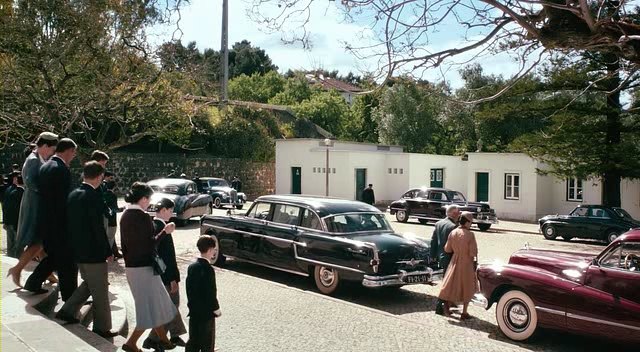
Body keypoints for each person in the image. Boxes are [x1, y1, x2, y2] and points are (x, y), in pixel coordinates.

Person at [54, 162, 119, 338]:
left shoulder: (74, 194)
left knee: (89, 284)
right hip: (93, 252)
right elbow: (97, 227)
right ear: (99, 176)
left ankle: (67, 311)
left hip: (77, 249)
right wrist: (108, 250)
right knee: (100, 290)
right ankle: (102, 327)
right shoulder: (93, 196)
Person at [120, 182, 177, 352]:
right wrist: (164, 232)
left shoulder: (125, 215)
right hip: (144, 268)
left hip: (133, 267)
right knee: (151, 307)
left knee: (156, 304)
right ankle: (131, 342)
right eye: (149, 199)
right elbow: (150, 245)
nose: (149, 203)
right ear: (143, 198)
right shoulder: (143, 217)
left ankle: (164, 339)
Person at [24, 138, 78, 298]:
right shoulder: (61, 169)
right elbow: (63, 201)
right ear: (68, 151)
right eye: (73, 153)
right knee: (67, 262)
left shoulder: (46, 166)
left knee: (54, 257)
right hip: (59, 224)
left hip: (46, 221)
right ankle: (70, 298)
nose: (73, 156)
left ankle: (33, 283)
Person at [7, 132, 58, 287]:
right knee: (38, 241)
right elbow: (32, 184)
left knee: (41, 242)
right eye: (52, 149)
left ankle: (48, 273)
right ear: (44, 146)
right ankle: (17, 269)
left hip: (38, 203)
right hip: (34, 205)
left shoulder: (40, 158)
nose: (52, 153)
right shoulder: (33, 161)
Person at [143, 198, 187, 349]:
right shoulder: (161, 227)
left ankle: (174, 335)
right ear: (163, 211)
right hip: (166, 276)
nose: (172, 213)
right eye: (170, 210)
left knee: (172, 307)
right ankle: (153, 339)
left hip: (162, 275)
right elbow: (166, 257)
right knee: (170, 308)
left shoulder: (156, 225)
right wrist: (172, 278)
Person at [437, 211, 479, 319]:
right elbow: (473, 252)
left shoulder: (453, 232)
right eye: (471, 222)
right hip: (466, 263)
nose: (471, 224)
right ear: (467, 222)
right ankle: (464, 312)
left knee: (451, 283)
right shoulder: (470, 235)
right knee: (467, 286)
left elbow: (447, 248)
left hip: (454, 261)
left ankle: (447, 305)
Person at [186, 236, 221, 352]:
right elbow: (211, 292)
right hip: (206, 312)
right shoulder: (208, 269)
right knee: (207, 341)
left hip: (194, 310)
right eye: (214, 250)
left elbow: (189, 289)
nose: (215, 252)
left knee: (193, 339)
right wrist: (216, 309)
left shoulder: (192, 267)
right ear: (210, 250)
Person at [430, 205, 460, 315]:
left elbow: (433, 241)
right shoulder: (454, 226)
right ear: (453, 214)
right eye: (458, 213)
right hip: (450, 257)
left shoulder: (439, 224)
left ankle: (450, 302)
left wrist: (432, 255)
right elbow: (455, 245)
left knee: (447, 281)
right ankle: (440, 305)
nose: (459, 215)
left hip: (441, 257)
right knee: (448, 283)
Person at [3, 173, 24, 258]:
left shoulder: (14, 190)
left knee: (14, 244)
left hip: (13, 220)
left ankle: (14, 260)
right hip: (13, 221)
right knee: (14, 244)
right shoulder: (13, 190)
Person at [103, 171, 122, 259]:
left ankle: (113, 253)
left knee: (107, 237)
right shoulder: (112, 195)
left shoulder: (103, 193)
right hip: (112, 218)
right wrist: (122, 209)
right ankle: (109, 254)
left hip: (105, 217)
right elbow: (115, 209)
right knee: (110, 238)